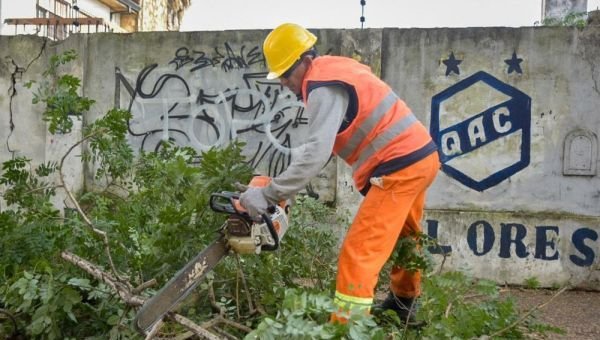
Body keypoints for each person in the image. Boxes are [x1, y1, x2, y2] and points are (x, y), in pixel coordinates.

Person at [239, 23, 440, 323]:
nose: (283, 82)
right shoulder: (337, 70)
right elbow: (321, 149)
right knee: (406, 235)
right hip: (421, 156)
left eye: (285, 73)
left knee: (357, 253)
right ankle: (404, 303)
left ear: (305, 60)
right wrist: (283, 190)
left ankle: (346, 329)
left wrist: (269, 193)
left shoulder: (321, 85)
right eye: (278, 75)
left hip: (399, 166)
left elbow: (316, 153)